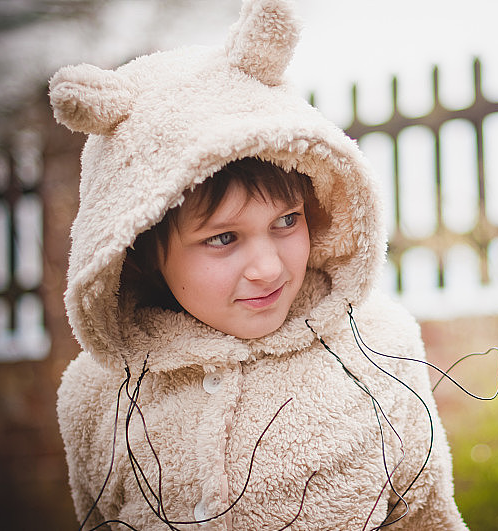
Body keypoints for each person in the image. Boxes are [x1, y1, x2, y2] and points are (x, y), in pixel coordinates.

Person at [50, 0, 469, 529]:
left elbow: (426, 517)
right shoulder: (97, 397)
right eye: (223, 238)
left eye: (287, 222)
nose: (268, 269)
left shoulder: (381, 349)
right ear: (138, 250)